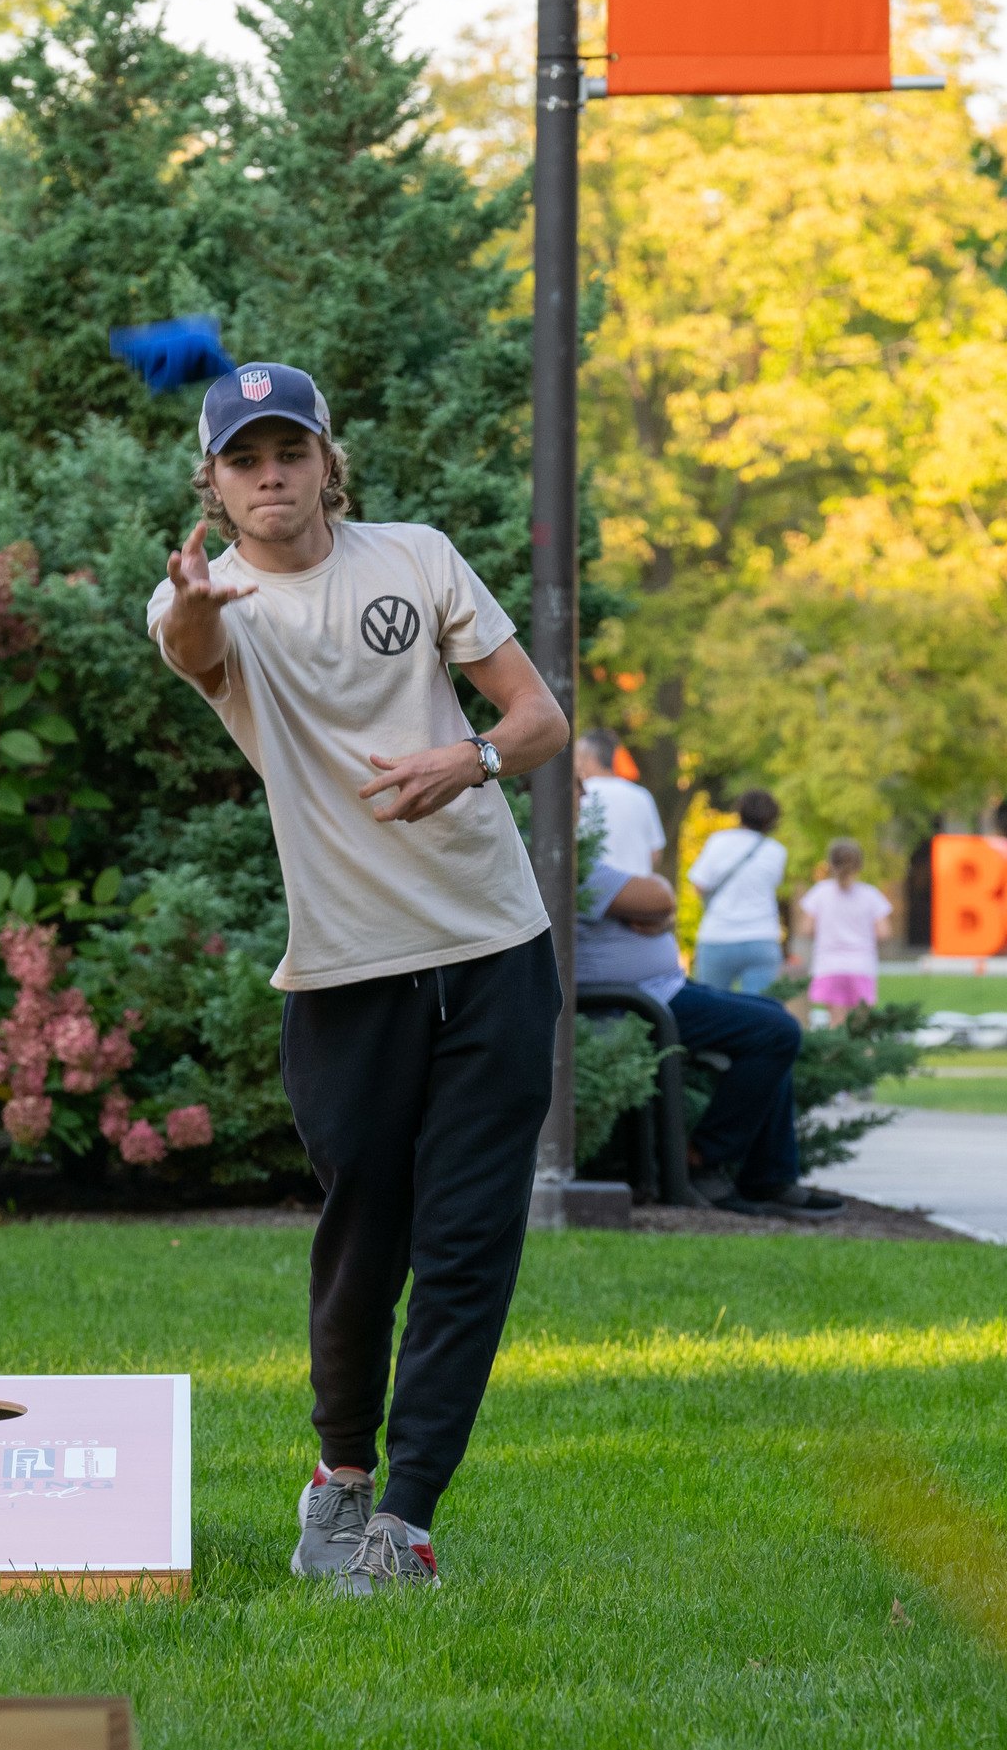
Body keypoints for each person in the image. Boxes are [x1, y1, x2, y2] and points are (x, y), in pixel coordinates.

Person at [148, 361, 568, 1598]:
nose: (270, 475)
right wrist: (193, 607)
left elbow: (539, 719)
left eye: (291, 452)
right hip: (346, 970)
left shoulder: (417, 557)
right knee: (363, 1236)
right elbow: (192, 644)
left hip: (494, 948)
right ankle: (340, 1475)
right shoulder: (208, 601)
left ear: (329, 461)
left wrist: (469, 758)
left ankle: (407, 1516)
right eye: (244, 460)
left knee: (469, 1240)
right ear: (214, 485)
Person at [574, 852, 840, 1220]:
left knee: (774, 1021)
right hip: (633, 1003)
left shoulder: (578, 854)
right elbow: (660, 898)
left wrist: (660, 911)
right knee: (776, 1031)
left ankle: (769, 1177)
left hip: (660, 988)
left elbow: (658, 902)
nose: (582, 806)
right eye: (576, 793)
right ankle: (703, 1159)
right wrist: (658, 908)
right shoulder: (564, 858)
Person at [687, 788, 790, 996]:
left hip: (718, 935)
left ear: (740, 812)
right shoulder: (777, 851)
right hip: (762, 937)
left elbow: (699, 884)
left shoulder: (719, 841)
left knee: (712, 1006)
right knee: (759, 1009)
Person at [794, 837, 898, 1016]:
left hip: (828, 965)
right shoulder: (870, 894)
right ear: (860, 865)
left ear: (831, 864)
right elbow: (884, 932)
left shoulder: (820, 892)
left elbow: (806, 928)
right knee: (860, 1023)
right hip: (861, 965)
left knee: (836, 1021)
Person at [575, 725, 665, 879]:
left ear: (589, 759)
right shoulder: (641, 795)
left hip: (594, 888)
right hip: (638, 887)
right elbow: (655, 853)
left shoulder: (580, 795)